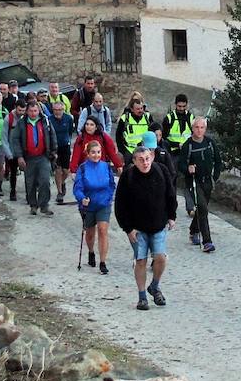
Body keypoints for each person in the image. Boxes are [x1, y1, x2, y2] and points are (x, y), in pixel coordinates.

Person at [113, 144, 177, 311]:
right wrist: (128, 228)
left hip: (158, 224)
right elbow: (120, 205)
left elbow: (170, 194)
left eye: (147, 158)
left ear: (152, 157)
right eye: (141, 160)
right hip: (137, 228)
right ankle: (142, 297)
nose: (145, 162)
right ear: (134, 161)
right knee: (141, 260)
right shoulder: (128, 176)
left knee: (161, 257)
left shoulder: (161, 171)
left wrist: (172, 216)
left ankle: (154, 286)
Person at [177, 116, 221, 253]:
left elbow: (218, 161)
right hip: (194, 182)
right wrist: (188, 169)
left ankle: (193, 230)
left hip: (207, 181)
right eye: (196, 127)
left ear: (205, 129)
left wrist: (215, 176)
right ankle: (207, 241)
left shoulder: (210, 143)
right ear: (192, 128)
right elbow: (181, 165)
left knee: (202, 209)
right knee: (202, 208)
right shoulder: (187, 145)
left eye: (202, 127)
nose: (199, 130)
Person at [73, 140, 116, 274]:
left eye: (98, 152)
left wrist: (108, 198)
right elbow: (77, 188)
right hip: (88, 205)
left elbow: (111, 185)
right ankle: (91, 251)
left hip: (103, 204)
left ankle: (103, 262)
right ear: (88, 153)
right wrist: (82, 198)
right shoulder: (83, 168)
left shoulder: (106, 167)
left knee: (103, 230)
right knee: (90, 233)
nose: (96, 155)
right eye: (93, 152)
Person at [9, 101, 57, 216]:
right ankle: (33, 205)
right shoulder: (21, 123)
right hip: (28, 157)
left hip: (43, 156)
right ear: (27, 111)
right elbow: (15, 140)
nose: (33, 113)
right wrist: (19, 156)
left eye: (35, 110)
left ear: (39, 110)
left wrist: (54, 151)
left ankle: (44, 205)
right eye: (31, 111)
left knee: (45, 181)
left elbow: (52, 135)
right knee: (30, 183)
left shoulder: (45, 121)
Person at [163, 95, 197, 216]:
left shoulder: (191, 118)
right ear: (175, 105)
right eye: (179, 106)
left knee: (189, 180)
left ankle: (190, 207)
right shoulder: (169, 118)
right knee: (172, 180)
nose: (181, 108)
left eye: (183, 106)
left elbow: (194, 136)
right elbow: (164, 139)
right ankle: (171, 206)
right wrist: (177, 144)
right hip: (173, 154)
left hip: (187, 154)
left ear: (186, 105)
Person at [47, 83, 76, 205]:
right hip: (55, 148)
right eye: (55, 110)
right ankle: (59, 192)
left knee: (66, 171)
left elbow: (70, 132)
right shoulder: (50, 120)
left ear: (63, 110)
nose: (58, 112)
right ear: (53, 110)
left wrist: (68, 141)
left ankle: (62, 182)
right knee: (57, 170)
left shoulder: (68, 118)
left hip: (65, 146)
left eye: (60, 110)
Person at [115, 98, 156, 165]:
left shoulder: (147, 117)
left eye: (141, 108)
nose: (140, 110)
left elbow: (153, 133)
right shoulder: (124, 118)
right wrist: (122, 151)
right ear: (132, 109)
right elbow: (118, 136)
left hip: (144, 150)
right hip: (129, 150)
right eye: (138, 109)